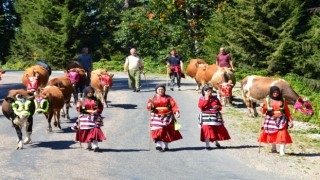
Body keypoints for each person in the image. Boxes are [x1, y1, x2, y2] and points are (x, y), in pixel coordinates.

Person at [258, 86, 294, 156]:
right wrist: (262, 107)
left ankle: (282, 151)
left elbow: (287, 111)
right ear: (271, 92)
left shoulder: (283, 100)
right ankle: (273, 148)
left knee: (282, 133)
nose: (275, 94)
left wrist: (290, 120)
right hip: (270, 118)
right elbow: (263, 111)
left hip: (281, 119)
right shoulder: (267, 100)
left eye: (277, 92)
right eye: (274, 92)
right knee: (272, 133)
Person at [147, 84, 183, 152]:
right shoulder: (152, 98)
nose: (160, 91)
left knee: (166, 131)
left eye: (162, 89)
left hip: (167, 116)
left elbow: (174, 105)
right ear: (156, 90)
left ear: (164, 90)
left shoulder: (169, 98)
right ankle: (159, 145)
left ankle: (166, 146)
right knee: (156, 130)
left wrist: (176, 112)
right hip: (156, 116)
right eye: (159, 89)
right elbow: (149, 107)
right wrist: (150, 106)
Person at [71, 86, 106, 152]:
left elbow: (100, 107)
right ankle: (89, 145)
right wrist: (78, 106)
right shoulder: (82, 100)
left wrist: (97, 111)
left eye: (91, 92)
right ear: (86, 93)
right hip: (85, 117)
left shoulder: (97, 99)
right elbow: (79, 110)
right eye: (89, 92)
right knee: (86, 131)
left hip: (95, 117)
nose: (90, 93)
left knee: (96, 130)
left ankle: (95, 146)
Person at [198, 85, 231, 150]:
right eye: (208, 91)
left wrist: (218, 107)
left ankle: (215, 141)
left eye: (211, 91)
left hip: (215, 116)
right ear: (204, 92)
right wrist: (207, 99)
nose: (210, 92)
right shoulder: (202, 98)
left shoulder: (215, 98)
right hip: (206, 116)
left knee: (215, 129)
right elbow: (201, 106)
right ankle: (207, 145)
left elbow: (220, 107)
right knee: (206, 130)